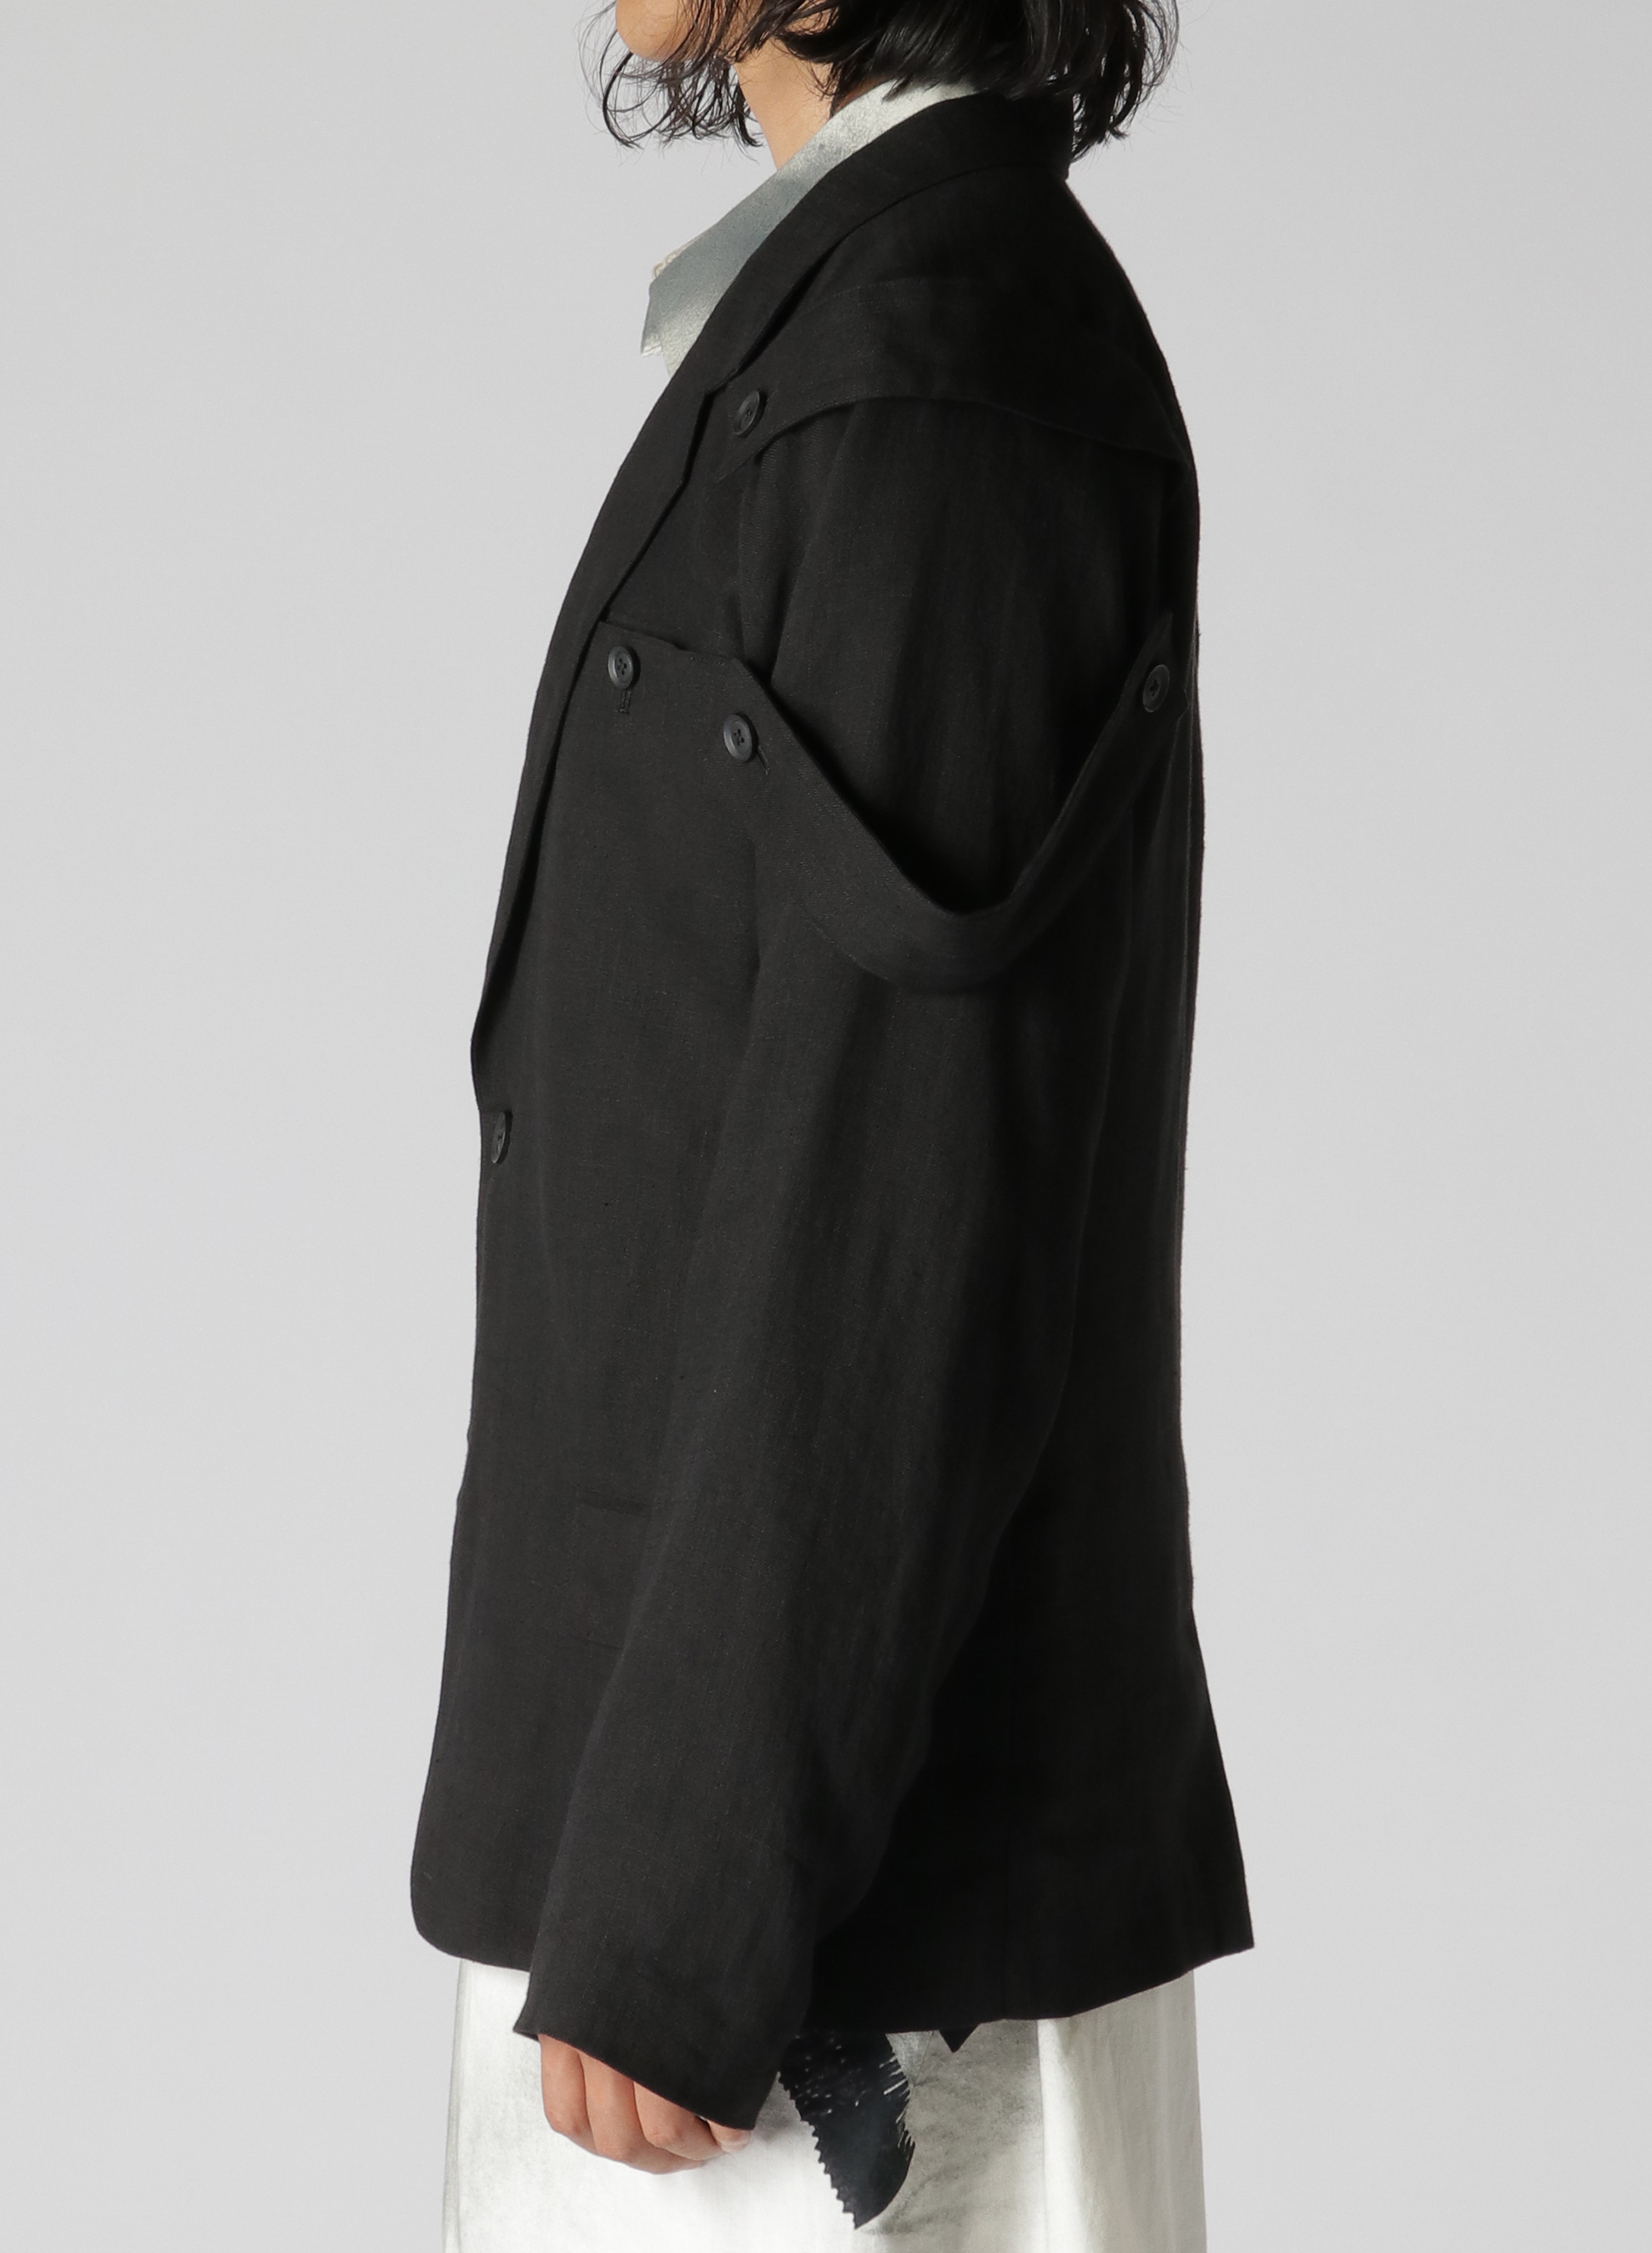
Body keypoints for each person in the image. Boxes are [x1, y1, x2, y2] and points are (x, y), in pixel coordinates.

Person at [413, 0, 1252, 2240]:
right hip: (721, 1883)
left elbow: (905, 1180)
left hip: (814, 1973)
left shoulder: (933, 369)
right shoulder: (859, 310)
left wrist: (688, 1906)